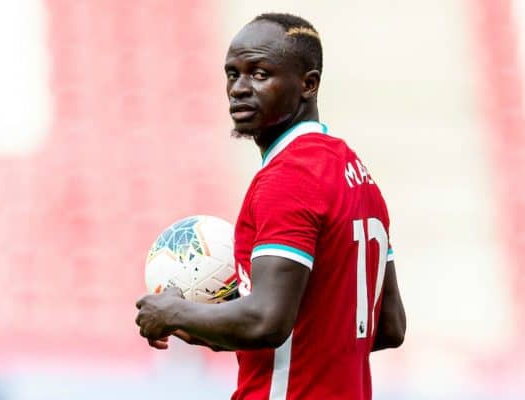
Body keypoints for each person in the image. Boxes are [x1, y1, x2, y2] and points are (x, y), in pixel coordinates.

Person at [135, 13, 406, 399]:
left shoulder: (289, 177)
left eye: (260, 74)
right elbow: (388, 326)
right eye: (233, 74)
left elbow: (267, 320)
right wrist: (207, 327)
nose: (239, 88)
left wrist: (171, 312)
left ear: (308, 84)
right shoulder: (355, 173)